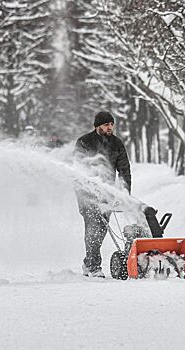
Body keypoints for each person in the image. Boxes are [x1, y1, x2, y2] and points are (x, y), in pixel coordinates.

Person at [74, 111, 131, 277]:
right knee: (93, 226)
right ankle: (94, 267)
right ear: (98, 126)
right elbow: (79, 167)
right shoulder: (84, 142)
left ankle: (88, 262)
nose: (110, 127)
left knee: (102, 229)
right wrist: (90, 183)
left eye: (112, 124)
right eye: (106, 124)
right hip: (86, 192)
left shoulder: (117, 144)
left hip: (107, 192)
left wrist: (125, 192)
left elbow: (124, 170)